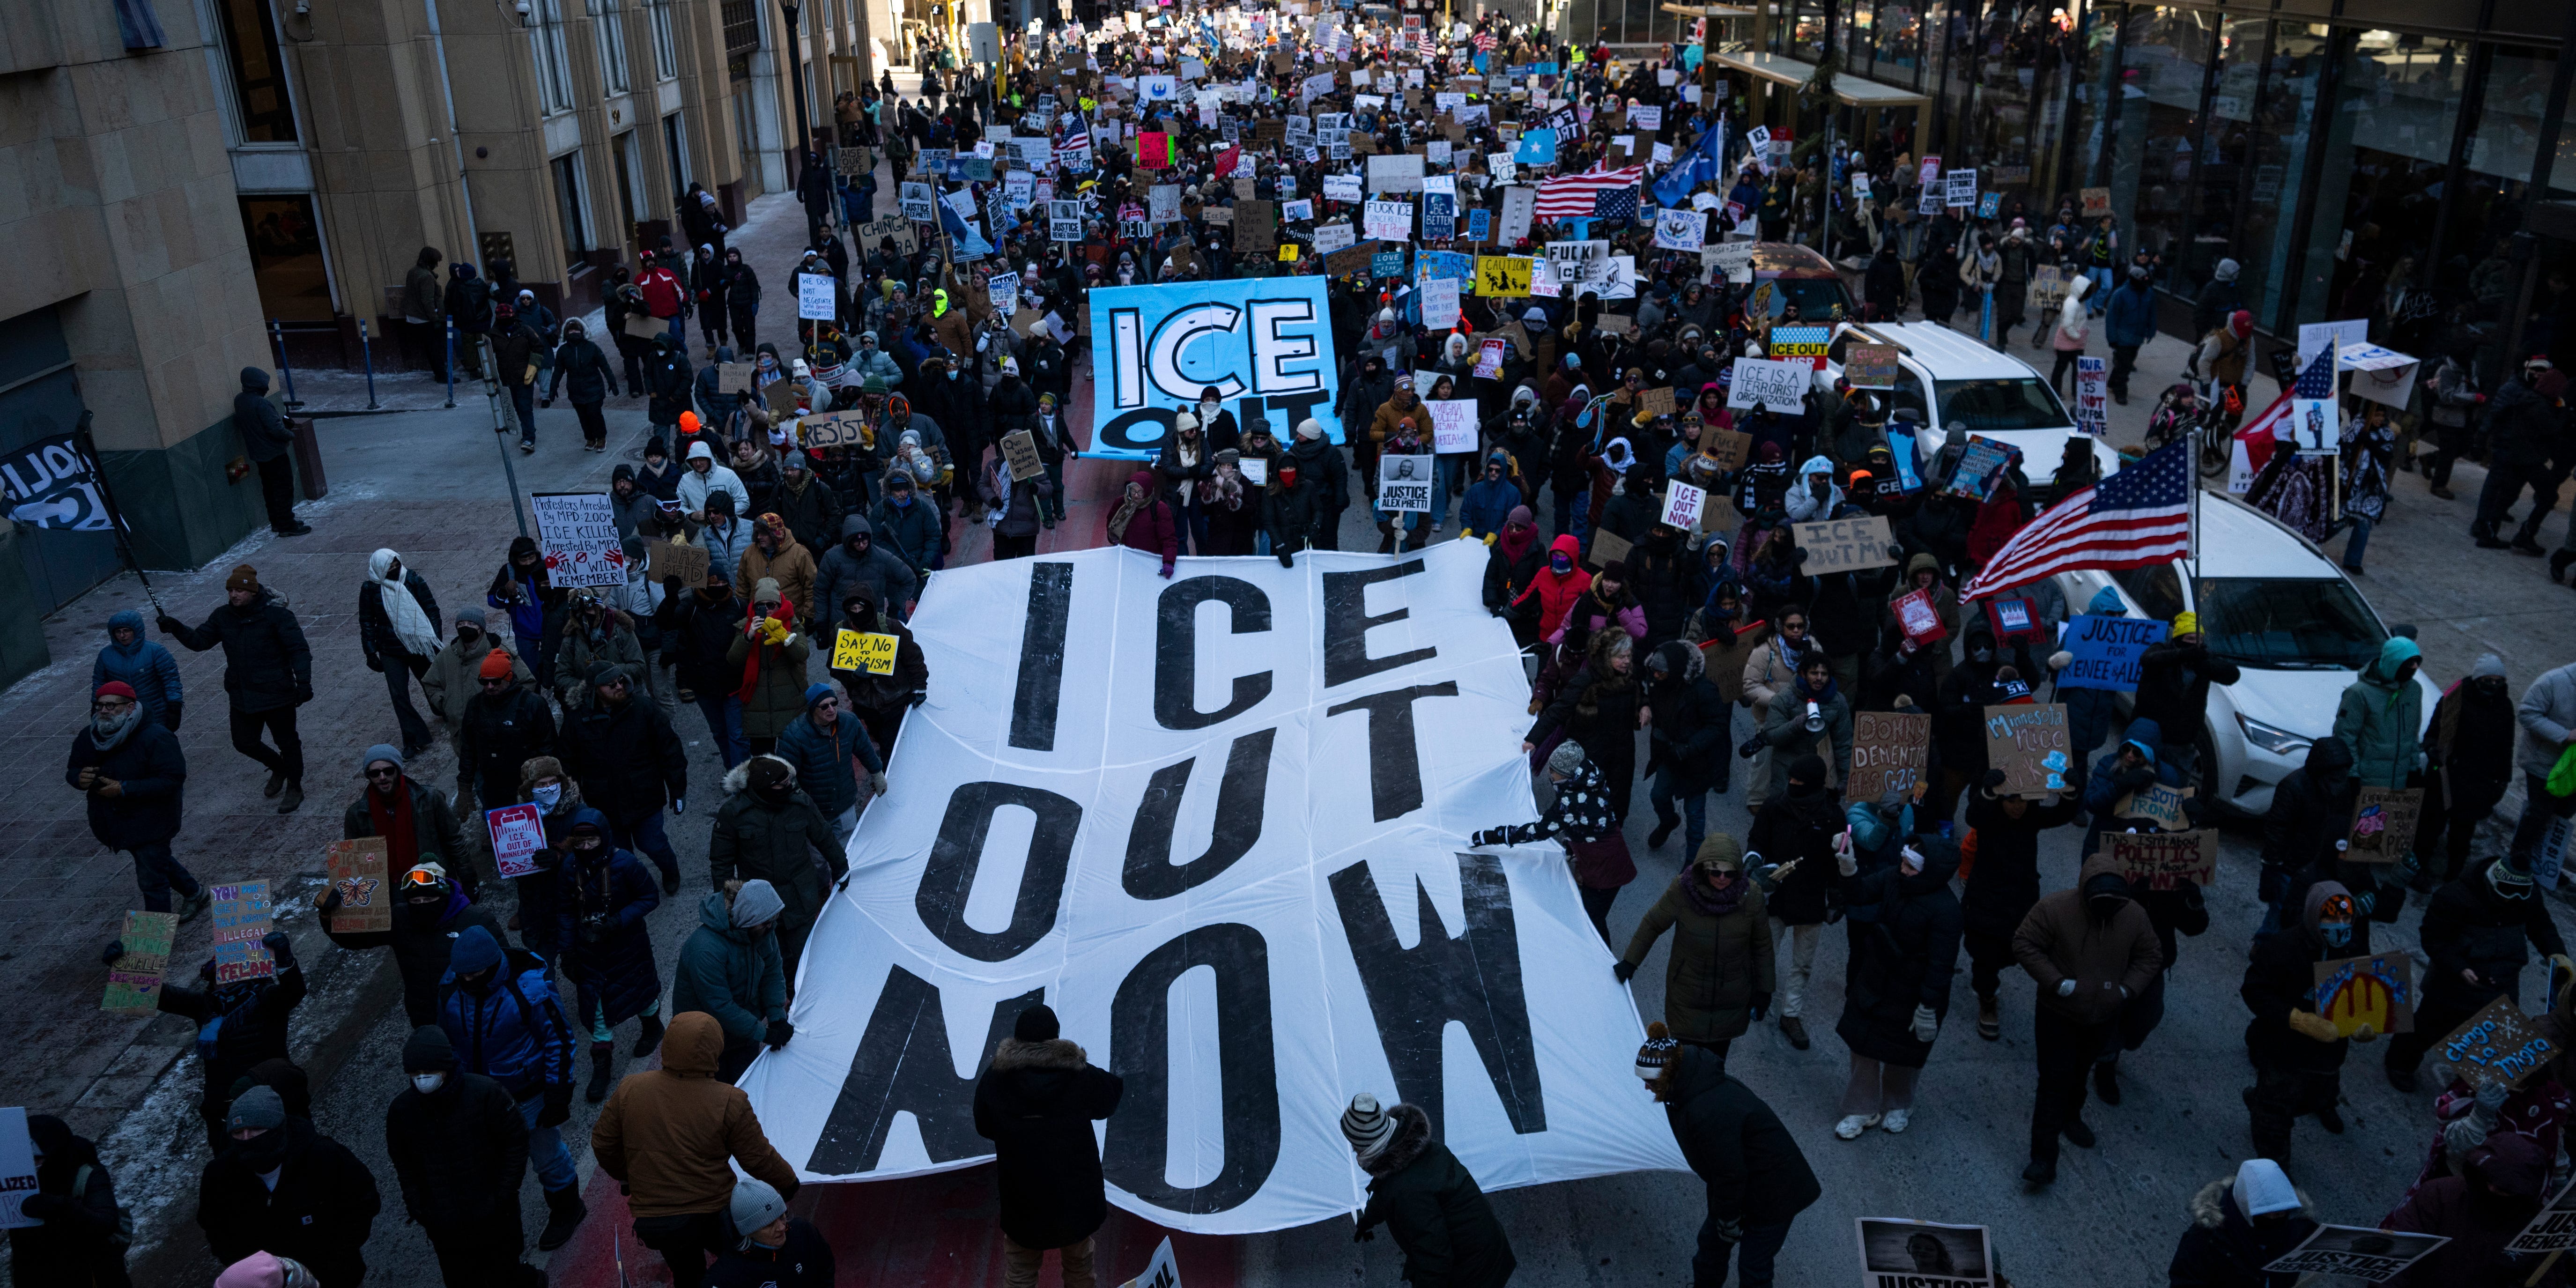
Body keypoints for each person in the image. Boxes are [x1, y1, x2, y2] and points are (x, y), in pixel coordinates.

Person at [594, 1011, 804, 1288]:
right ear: (715, 1049)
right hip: (714, 1213)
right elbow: (758, 1159)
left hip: (658, 1220)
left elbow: (603, 1143)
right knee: (742, 1267)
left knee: (687, 1275)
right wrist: (788, 1183)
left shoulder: (631, 1088)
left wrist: (629, 1176)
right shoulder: (729, 1100)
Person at [2011, 853, 2163, 1186]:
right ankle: (2043, 1158)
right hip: (2058, 1014)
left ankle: (2072, 1117)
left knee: (2080, 1073)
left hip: (2104, 1015)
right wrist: (2058, 983)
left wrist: (2126, 991)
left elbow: (2151, 955)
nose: (2107, 910)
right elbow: (2024, 943)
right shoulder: (2054, 909)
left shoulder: (2133, 916)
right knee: (2053, 1082)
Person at [436, 925, 589, 1251]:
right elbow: (446, 1042)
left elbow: (559, 1041)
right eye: (464, 975)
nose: (469, 981)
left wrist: (558, 1093)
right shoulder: (451, 987)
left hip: (528, 1096)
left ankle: (568, 1209)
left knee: (546, 1156)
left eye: (476, 974)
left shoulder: (529, 990)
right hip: (476, 1098)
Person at [1636, 1023, 1819, 1288]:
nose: (1647, 1088)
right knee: (1710, 1249)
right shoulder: (1684, 1088)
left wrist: (1728, 1218)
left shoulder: (1706, 1108)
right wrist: (1726, 1215)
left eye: (1650, 1082)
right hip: (1743, 1186)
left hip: (1775, 1193)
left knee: (1754, 1267)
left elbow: (1729, 1172)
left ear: (1667, 1076)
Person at [971, 1004, 1125, 1288]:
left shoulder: (995, 1080)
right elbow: (1112, 1096)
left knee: (1020, 1274)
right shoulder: (1078, 1076)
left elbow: (983, 1125)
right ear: (1055, 1037)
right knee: (1080, 1269)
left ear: (1017, 1040)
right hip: (1076, 1201)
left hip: (1023, 1201)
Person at [2386, 855, 2569, 1091]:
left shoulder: (2527, 894)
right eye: (2507, 893)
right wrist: (2459, 967)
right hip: (2452, 982)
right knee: (2429, 1025)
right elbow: (2434, 938)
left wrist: (2557, 954)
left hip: (2503, 979)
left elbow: (2542, 926)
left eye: (2520, 895)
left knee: (2493, 1035)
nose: (2513, 901)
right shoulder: (2453, 897)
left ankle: (2473, 1085)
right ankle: (2399, 1064)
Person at [385, 1026, 541, 1288]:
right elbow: (403, 1162)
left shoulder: (485, 1094)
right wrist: (419, 1207)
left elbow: (516, 1141)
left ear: (446, 1067)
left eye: (429, 1073)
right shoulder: (402, 1112)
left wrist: (503, 1194)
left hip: (495, 1217)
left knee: (506, 1275)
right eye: (415, 1074)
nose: (422, 1080)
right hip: (446, 1228)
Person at [158, 563, 312, 813]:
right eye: (230, 591)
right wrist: (176, 628)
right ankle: (280, 768)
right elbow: (200, 642)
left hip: (277, 693)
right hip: (242, 694)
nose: (233, 595)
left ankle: (295, 786)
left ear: (252, 592)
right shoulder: (223, 617)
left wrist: (304, 682)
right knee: (244, 743)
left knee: (288, 742)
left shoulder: (277, 616)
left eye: (239, 591)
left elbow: (299, 650)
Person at [197, 1085, 380, 1288]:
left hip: (336, 1280)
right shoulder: (219, 1175)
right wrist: (246, 1269)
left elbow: (363, 1201)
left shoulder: (325, 1157)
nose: (247, 1138)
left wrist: (339, 1257)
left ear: (277, 1128)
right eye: (239, 1132)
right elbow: (214, 1226)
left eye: (256, 1129)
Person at [1617, 836, 1774, 1071]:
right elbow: (1653, 924)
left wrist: (1764, 990)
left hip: (1731, 998)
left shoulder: (1751, 896)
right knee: (1684, 1065)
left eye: (1730, 873)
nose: (1722, 878)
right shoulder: (1683, 891)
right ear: (1703, 869)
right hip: (1688, 996)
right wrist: (1630, 962)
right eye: (1715, 872)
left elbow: (1762, 945)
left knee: (1714, 1068)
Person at [151, 929, 305, 1153]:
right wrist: (128, 965)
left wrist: (285, 960)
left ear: (249, 974)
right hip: (224, 1111)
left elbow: (294, 991)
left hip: (271, 1102)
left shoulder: (266, 998)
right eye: (217, 977)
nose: (223, 982)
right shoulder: (207, 1005)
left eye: (230, 974)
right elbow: (160, 995)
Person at [1345, 1092, 1517, 1288]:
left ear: (1367, 1147)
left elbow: (1434, 1257)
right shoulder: (1416, 1150)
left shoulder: (1406, 1189)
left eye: (1355, 1146)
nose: (1354, 1150)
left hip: (1474, 1273)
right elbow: (1386, 1186)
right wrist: (1369, 1220)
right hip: (1489, 1251)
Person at [1471, 741, 1635, 945]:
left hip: (1605, 871)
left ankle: (1604, 967)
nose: (1550, 773)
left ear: (1567, 774)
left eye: (1554, 770)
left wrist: (1494, 836)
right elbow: (1585, 824)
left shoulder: (1573, 801)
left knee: (1592, 923)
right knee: (1590, 917)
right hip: (1608, 859)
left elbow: (1537, 831)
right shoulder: (1590, 779)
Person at [1961, 769, 2082, 1040]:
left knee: (2014, 950)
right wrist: (1988, 791)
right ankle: (1987, 999)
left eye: (2023, 801)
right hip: (1986, 897)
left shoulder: (2031, 818)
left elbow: (2062, 815)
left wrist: (2071, 792)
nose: (2018, 808)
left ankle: (1988, 985)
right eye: (2011, 801)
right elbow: (1973, 815)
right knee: (1985, 954)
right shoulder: (1989, 817)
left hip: (2020, 898)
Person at [68, 680, 204, 918]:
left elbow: (172, 779)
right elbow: (73, 769)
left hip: (152, 821)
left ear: (130, 708)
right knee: (154, 861)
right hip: (115, 822)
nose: (103, 711)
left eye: (111, 706)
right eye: (100, 706)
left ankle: (154, 947)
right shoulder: (88, 737)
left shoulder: (156, 737)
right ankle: (195, 893)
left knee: (152, 881)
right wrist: (78, 778)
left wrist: (124, 789)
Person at [555, 809, 665, 1100]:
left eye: (592, 840)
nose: (587, 847)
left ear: (603, 837)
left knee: (640, 994)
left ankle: (653, 1028)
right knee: (598, 1011)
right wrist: (567, 952)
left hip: (628, 947)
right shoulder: (570, 868)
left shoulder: (626, 863)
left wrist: (617, 921)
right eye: (580, 842)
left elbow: (649, 897)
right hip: (589, 952)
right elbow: (566, 911)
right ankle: (602, 1069)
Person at [556, 662, 689, 894]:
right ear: (595, 690)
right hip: (605, 803)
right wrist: (571, 800)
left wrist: (678, 789)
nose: (619, 687)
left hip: (645, 796)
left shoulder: (643, 708)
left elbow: (670, 750)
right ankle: (633, 885)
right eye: (611, 685)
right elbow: (568, 763)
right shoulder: (577, 720)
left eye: (620, 681)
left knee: (653, 844)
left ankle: (670, 870)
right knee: (620, 852)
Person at [709, 754, 844, 977]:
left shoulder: (800, 803)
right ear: (766, 788)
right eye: (783, 786)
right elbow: (721, 863)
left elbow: (824, 836)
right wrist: (728, 907)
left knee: (811, 959)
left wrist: (842, 868)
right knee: (773, 964)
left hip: (801, 897)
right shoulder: (734, 813)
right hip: (760, 906)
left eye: (789, 783)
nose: (790, 788)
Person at [2381, 1133, 2553, 1287]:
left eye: (2504, 1189)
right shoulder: (2439, 1195)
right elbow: (2396, 1257)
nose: (2491, 1189)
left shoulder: (2538, 1230)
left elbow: (2549, 1275)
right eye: (2487, 1178)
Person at [673, 880, 791, 1082]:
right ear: (747, 919)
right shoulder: (705, 949)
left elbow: (772, 971)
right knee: (718, 1100)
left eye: (773, 921)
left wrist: (777, 1016)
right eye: (765, 923)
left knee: (744, 1089)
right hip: (705, 1039)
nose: (771, 927)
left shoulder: (762, 930)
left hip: (742, 1032)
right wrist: (763, 1033)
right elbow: (720, 1006)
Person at [2420, 654, 2518, 885]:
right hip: (2445, 778)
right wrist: (2434, 749)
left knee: (2462, 836)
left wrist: (2502, 780)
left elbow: (2506, 746)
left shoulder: (2503, 706)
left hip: (2477, 784)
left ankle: (2454, 878)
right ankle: (2420, 871)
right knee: (2430, 829)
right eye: (2488, 680)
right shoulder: (2455, 699)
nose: (2493, 686)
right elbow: (2434, 733)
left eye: (2498, 681)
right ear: (2477, 679)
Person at [1529, 629, 1645, 820]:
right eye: (1622, 657)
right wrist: (1534, 739)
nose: (1627, 661)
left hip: (1622, 755)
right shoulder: (1586, 679)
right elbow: (1560, 708)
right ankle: (1579, 844)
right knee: (1585, 803)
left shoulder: (1629, 677)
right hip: (1592, 753)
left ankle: (1610, 840)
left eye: (1629, 656)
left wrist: (1645, 705)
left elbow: (1640, 693)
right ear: (1607, 657)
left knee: (1618, 803)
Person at [8, 1113, 130, 1288]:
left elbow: (106, 1222)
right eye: (27, 1158)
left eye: (38, 1158)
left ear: (56, 1152)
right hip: (33, 1274)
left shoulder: (88, 1174)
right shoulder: (13, 1178)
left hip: (89, 1275)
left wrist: (61, 1206)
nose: (32, 1165)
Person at [2165, 1157, 2317, 1287]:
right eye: (2266, 1214)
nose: (2274, 1221)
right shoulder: (2204, 1241)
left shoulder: (2296, 1229)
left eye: (2280, 1213)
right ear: (2245, 1208)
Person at [1643, 639, 1729, 859]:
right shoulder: (1656, 680)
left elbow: (1718, 725)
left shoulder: (1703, 690)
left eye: (1661, 672)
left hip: (1697, 762)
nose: (1655, 676)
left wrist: (1689, 748)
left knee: (1695, 814)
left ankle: (1692, 861)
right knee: (1658, 796)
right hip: (1669, 754)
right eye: (1654, 671)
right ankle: (1668, 822)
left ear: (1675, 670)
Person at [2131, 611, 2239, 781]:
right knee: (2139, 782)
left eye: (2200, 640)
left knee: (2173, 787)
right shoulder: (2162, 650)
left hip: (2182, 742)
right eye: (2190, 639)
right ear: (2178, 638)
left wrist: (2206, 666)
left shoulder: (2203, 660)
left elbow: (2233, 674)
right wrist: (2182, 656)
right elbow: (2148, 660)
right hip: (2152, 736)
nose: (2195, 645)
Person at [774, 682, 885, 846]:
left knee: (848, 851)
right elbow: (786, 778)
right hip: (816, 811)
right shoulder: (794, 736)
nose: (832, 709)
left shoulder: (849, 722)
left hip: (845, 803)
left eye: (834, 703)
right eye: (824, 706)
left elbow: (865, 750)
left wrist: (877, 773)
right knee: (820, 859)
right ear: (812, 709)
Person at [358, 548, 444, 757]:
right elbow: (367, 622)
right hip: (391, 650)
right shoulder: (370, 589)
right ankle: (414, 738)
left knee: (431, 683)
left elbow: (431, 609)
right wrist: (371, 653)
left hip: (419, 645)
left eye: (397, 565)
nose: (395, 570)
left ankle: (445, 709)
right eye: (390, 568)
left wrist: (433, 639)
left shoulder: (413, 579)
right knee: (399, 695)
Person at [824, 584, 929, 754]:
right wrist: (854, 676)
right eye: (853, 608)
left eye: (861, 608)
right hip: (865, 705)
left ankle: (889, 775)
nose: (858, 612)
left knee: (891, 747)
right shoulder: (840, 633)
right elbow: (834, 667)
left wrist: (920, 687)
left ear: (871, 606)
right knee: (879, 739)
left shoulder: (892, 628)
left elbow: (914, 658)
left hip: (895, 701)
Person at [456, 647, 556, 815]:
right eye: (484, 682)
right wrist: (464, 785)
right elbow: (468, 748)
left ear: (508, 678)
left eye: (495, 681)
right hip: (493, 786)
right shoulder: (475, 705)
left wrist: (547, 784)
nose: (489, 686)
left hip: (528, 785)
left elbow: (549, 746)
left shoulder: (533, 704)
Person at [727, 578, 812, 756]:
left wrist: (786, 637)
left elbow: (802, 654)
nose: (766, 610)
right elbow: (733, 660)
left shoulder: (792, 623)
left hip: (789, 702)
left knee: (793, 756)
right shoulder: (745, 626)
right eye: (761, 606)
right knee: (765, 763)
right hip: (758, 707)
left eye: (771, 605)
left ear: (779, 605)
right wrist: (749, 637)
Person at [2333, 635, 2424, 792]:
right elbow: (2345, 737)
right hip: (2368, 783)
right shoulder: (2359, 694)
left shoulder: (2414, 690)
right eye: (2410, 663)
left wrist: (2413, 768)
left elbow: (2412, 735)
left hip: (2400, 784)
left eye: (2418, 662)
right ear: (2395, 663)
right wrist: (2352, 776)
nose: (2416, 667)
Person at [708, 1177, 832, 1288]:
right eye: (769, 1225)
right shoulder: (726, 1277)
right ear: (748, 1232)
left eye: (782, 1216)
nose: (782, 1227)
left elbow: (826, 1266)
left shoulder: (803, 1231)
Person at [2511, 660, 2576, 873]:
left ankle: (2545, 866)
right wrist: (2566, 736)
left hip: (2572, 769)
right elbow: (2527, 714)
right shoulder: (2553, 681)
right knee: (2539, 814)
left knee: (2562, 815)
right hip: (2543, 764)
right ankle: (2517, 860)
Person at [233, 367, 311, 536]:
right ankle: (287, 526)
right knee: (283, 489)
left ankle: (277, 522)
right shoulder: (261, 403)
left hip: (259, 454)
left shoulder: (240, 401)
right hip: (274, 453)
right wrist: (290, 435)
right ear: (257, 384)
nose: (267, 388)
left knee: (269, 489)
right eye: (264, 384)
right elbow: (275, 429)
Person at [92, 609, 182, 730]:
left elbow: (171, 680)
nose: (122, 636)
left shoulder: (156, 652)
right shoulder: (105, 655)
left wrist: (174, 705)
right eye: (118, 632)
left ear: (136, 631)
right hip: (121, 714)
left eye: (126, 631)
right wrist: (96, 706)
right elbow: (99, 683)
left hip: (154, 712)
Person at [544, 318, 621, 452]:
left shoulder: (592, 348)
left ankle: (601, 438)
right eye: (571, 331)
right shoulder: (563, 351)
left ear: (582, 332)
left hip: (594, 388)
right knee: (583, 416)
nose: (574, 333)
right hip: (576, 390)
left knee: (594, 414)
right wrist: (553, 387)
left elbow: (604, 366)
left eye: (576, 330)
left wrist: (612, 382)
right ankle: (590, 438)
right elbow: (558, 371)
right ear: (567, 333)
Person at [1110, 468, 1180, 577]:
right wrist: (1115, 540)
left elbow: (1169, 539)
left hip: (1148, 564)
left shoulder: (1160, 509)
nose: (1136, 495)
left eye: (1140, 492)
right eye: (1133, 491)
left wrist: (1168, 562)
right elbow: (1111, 523)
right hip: (1126, 560)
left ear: (1147, 491)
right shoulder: (1121, 503)